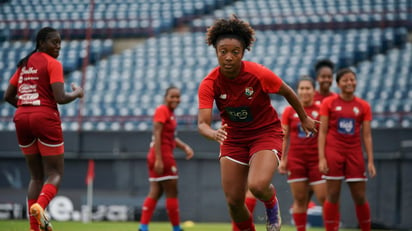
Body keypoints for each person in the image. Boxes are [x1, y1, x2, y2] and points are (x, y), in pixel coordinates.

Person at [197, 15, 319, 231]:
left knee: (257, 185)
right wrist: (213, 133)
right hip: (233, 139)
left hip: (265, 133)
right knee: (234, 202)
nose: (228, 57)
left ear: (243, 53)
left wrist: (304, 117)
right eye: (222, 51)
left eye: (235, 52)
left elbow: (288, 92)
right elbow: (202, 124)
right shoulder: (209, 83)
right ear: (216, 51)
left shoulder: (258, 73)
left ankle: (271, 204)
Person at [3, 27, 84, 231]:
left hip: (21, 117)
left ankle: (33, 228)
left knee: (35, 177)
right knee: (55, 172)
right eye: (54, 42)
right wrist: (77, 93)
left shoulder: (24, 65)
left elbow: (7, 95)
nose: (58, 46)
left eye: (59, 43)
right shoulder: (52, 63)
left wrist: (27, 107)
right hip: (45, 117)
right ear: (41, 43)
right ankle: (41, 206)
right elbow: (61, 97)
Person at [318, 68, 376, 231]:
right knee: (333, 195)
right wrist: (322, 157)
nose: (349, 83)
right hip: (334, 152)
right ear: (338, 84)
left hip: (354, 153)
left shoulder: (363, 106)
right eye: (345, 80)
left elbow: (367, 136)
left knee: (359, 196)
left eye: (352, 80)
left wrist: (370, 161)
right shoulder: (328, 103)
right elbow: (322, 132)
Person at [138, 86, 194, 231]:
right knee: (172, 191)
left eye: (177, 97)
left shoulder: (170, 113)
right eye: (172, 96)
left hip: (158, 154)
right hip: (162, 155)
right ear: (165, 97)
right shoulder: (162, 110)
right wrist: (159, 159)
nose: (175, 99)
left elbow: (170, 138)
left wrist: (185, 147)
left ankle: (143, 227)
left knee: (156, 191)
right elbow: (157, 134)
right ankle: (176, 228)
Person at [278, 76, 326, 231]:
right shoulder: (289, 111)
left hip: (317, 160)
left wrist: (325, 158)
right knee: (299, 200)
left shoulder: (322, 109)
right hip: (296, 160)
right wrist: (282, 159)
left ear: (314, 91)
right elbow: (284, 137)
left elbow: (328, 135)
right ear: (297, 91)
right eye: (302, 88)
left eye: (308, 88)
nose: (305, 91)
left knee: (325, 199)